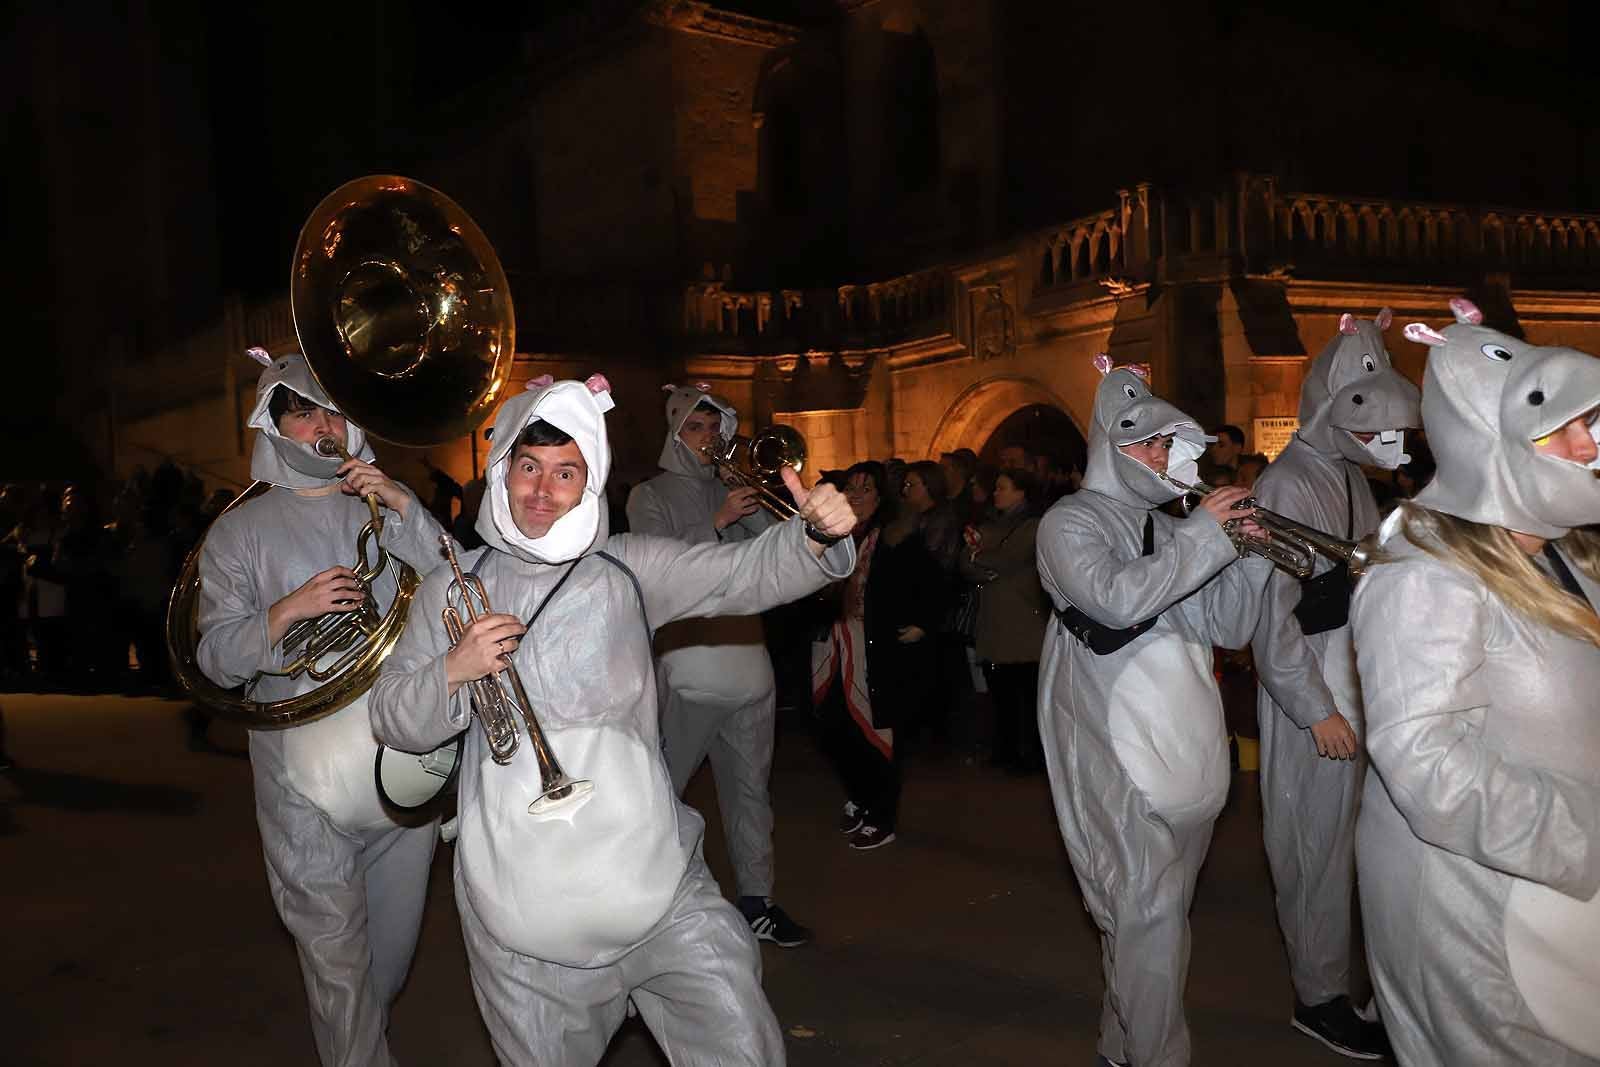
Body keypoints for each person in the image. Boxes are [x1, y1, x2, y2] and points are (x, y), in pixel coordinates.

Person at [368, 375, 857, 1067]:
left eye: (566, 472)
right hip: (525, 928)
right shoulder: (451, 589)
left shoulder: (628, 568)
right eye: (528, 467)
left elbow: (744, 574)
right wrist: (453, 667)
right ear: (502, 468)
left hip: (660, 896)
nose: (543, 490)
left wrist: (815, 535)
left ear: (590, 480)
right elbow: (393, 721)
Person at [1354, 298, 1600, 1066]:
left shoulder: (1568, 552)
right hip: (1479, 916)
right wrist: (1587, 832)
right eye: (1569, 426)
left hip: (1557, 902)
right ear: (1489, 439)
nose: (1591, 445)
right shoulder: (1426, 574)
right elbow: (1426, 763)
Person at [195, 348, 449, 1067]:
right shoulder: (238, 533)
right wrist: (285, 613)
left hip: (402, 780)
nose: (319, 423)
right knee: (341, 978)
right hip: (301, 792)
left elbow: (464, 592)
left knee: (383, 971)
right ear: (272, 427)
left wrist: (406, 506)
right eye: (299, 410)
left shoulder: (384, 503)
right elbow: (215, 658)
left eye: (330, 406)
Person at [1035, 356, 1262, 1067]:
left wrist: (1250, 556)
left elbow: (1228, 627)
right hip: (1110, 743)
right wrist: (1206, 540)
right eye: (1148, 441)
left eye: (1169, 443)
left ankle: (1118, 1043)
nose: (1163, 456)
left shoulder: (1173, 531)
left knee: (1149, 925)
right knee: (1149, 917)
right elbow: (1115, 597)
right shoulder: (1067, 522)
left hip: (1185, 752)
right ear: (1109, 443)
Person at [1246, 309, 1418, 1060]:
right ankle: (1318, 997)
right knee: (1312, 850)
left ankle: (1351, 986)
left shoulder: (1346, 474)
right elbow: (1272, 615)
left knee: (1352, 848)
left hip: (1355, 688)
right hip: (1315, 697)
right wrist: (1316, 710)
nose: (1393, 448)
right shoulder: (1287, 482)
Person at [626, 383, 809, 948]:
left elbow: (781, 557)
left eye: (716, 429)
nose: (710, 440)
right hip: (688, 671)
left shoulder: (736, 486)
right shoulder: (648, 493)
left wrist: (749, 501)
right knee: (666, 795)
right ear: (676, 431)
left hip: (749, 667)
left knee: (752, 794)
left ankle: (759, 900)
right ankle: (647, 900)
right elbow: (654, 568)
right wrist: (718, 519)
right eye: (698, 429)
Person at [810, 461, 935, 850]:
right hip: (834, 645)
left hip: (876, 650)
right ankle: (862, 796)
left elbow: (934, 581)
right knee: (834, 729)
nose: (856, 497)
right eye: (850, 489)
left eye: (866, 490)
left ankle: (882, 815)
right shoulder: (834, 535)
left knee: (877, 734)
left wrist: (922, 622)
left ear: (881, 498)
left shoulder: (897, 537)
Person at [959, 467, 1047, 774]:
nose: (996, 493)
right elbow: (966, 563)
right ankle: (1007, 751)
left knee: (1027, 695)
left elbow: (1009, 559)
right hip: (995, 623)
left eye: (1003, 487)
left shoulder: (1033, 525)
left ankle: (1032, 755)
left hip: (1023, 624)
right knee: (1002, 696)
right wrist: (979, 560)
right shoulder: (990, 524)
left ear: (1021, 492)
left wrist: (979, 557)